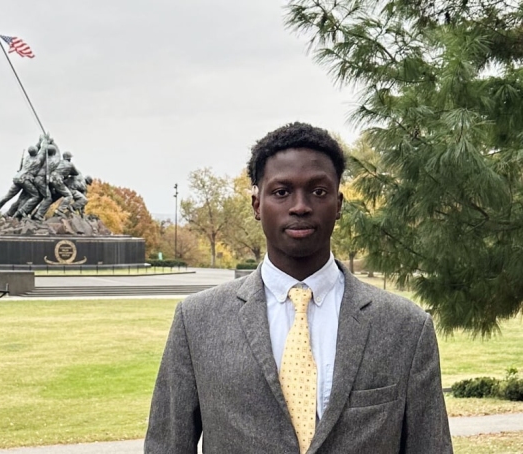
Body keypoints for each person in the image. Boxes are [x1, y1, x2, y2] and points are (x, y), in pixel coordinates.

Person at [145, 122, 453, 453]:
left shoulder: (405, 326)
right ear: (256, 205)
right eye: (281, 192)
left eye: (318, 191)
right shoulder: (197, 321)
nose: (300, 206)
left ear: (339, 205)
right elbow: (167, 445)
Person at [0, 145, 45, 218]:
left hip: (17, 178)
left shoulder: (27, 158)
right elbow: (43, 149)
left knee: (7, 196)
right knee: (36, 196)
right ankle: (22, 211)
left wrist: (39, 143)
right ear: (36, 152)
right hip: (25, 179)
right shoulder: (38, 159)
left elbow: (37, 148)